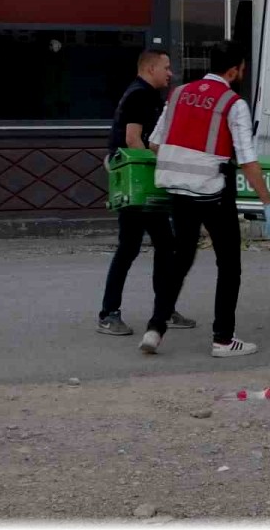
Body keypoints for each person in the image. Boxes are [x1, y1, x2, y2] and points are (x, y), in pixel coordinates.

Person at [140, 40, 270, 357]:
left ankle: (155, 328)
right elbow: (247, 161)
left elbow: (154, 142)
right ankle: (223, 339)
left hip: (177, 190)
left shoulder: (178, 94)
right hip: (214, 192)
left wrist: (186, 159)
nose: (242, 73)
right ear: (232, 71)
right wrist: (268, 203)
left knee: (181, 257)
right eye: (242, 69)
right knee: (229, 264)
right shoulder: (233, 103)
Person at [97, 49, 195, 336]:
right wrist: (153, 172)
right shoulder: (141, 94)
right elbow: (132, 139)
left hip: (139, 183)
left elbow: (149, 142)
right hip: (137, 184)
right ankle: (109, 313)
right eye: (166, 67)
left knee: (163, 245)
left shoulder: (145, 95)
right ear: (151, 68)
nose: (170, 73)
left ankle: (163, 310)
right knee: (133, 247)